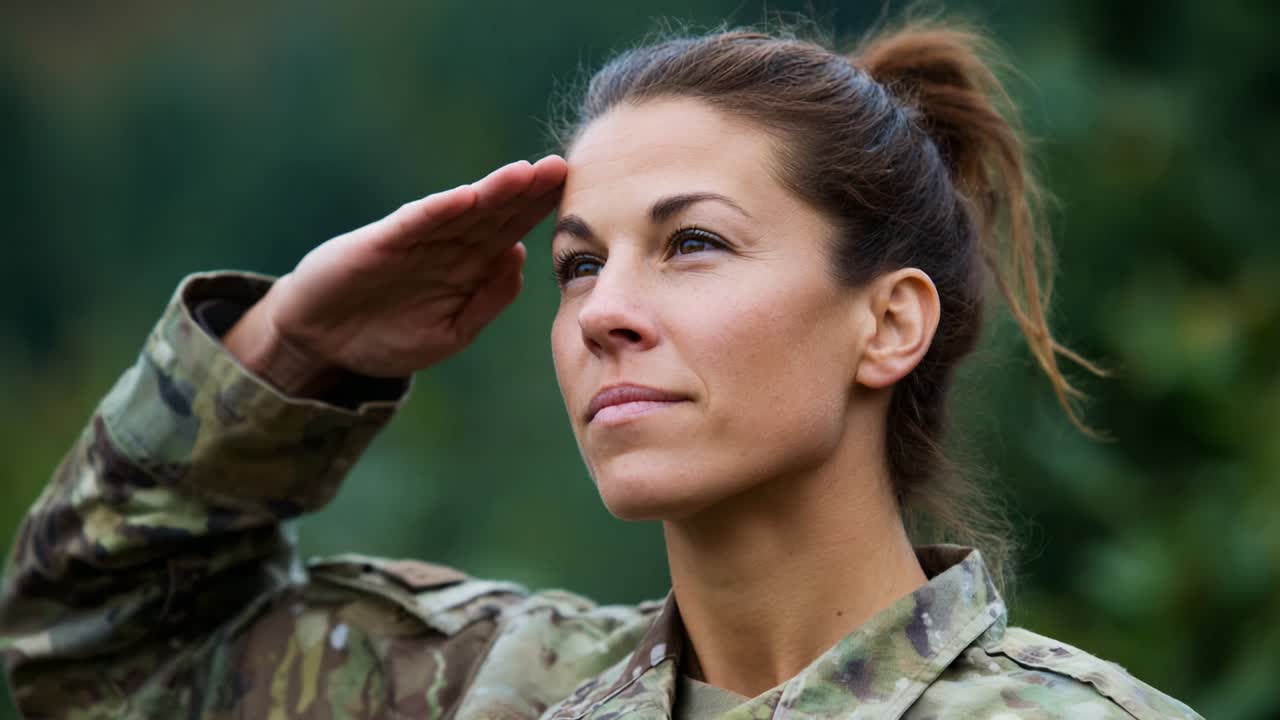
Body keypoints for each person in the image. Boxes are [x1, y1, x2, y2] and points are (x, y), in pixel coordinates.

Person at [0, 21, 1201, 720]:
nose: (604, 314)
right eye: (577, 266)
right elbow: (97, 654)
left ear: (886, 325)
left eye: (691, 244)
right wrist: (290, 351)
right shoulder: (487, 690)